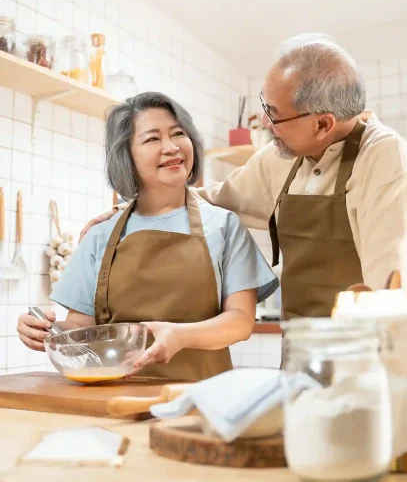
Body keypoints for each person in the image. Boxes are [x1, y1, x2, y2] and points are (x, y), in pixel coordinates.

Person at [80, 33, 407, 319]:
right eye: (266, 106)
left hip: (366, 352)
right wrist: (127, 211)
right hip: (299, 344)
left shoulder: (384, 160)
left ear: (322, 124)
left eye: (274, 115)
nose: (265, 123)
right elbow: (212, 200)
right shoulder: (279, 157)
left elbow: (389, 293)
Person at [17, 92, 278, 381]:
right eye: (152, 139)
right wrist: (45, 331)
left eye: (178, 134)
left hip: (200, 399)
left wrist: (181, 336)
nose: (171, 147)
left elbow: (240, 321)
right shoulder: (100, 235)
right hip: (113, 398)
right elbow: (81, 326)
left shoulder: (224, 225)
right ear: (126, 155)